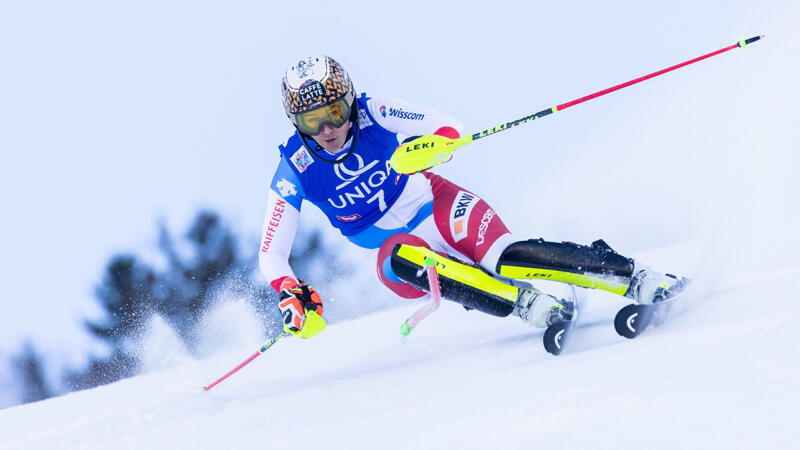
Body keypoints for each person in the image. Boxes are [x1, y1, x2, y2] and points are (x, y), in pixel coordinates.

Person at [259, 55, 683, 339]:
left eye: (334, 113)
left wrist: (433, 145)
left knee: (505, 256)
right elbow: (272, 253)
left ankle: (634, 275)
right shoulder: (294, 167)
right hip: (397, 249)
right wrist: (290, 291)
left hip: (437, 203)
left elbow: (448, 127)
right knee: (399, 258)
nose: (327, 130)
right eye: (311, 121)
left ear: (349, 103)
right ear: (295, 122)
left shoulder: (374, 111)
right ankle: (528, 305)